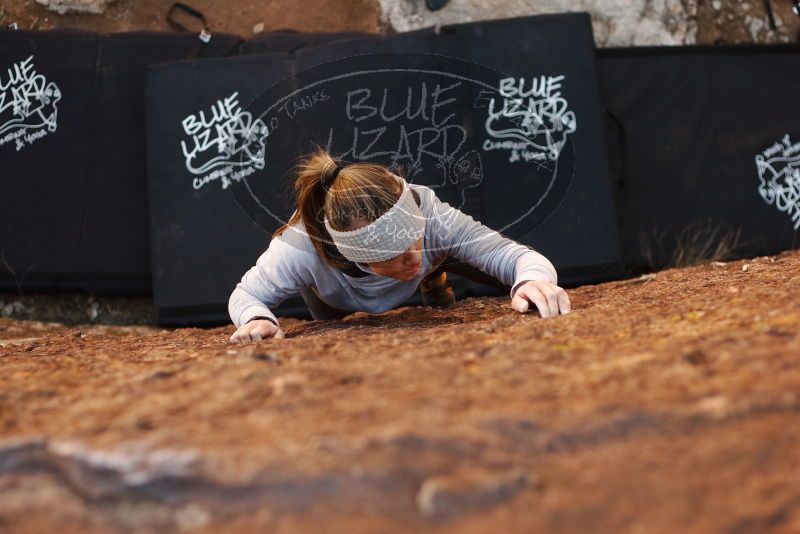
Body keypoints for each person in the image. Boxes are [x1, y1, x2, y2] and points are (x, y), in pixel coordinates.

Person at [228, 147, 571, 342]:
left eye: (413, 240)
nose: (412, 258)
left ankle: (434, 277)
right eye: (390, 256)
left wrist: (533, 280)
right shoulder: (299, 246)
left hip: (440, 251)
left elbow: (508, 254)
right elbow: (246, 295)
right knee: (327, 317)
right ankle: (411, 272)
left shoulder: (431, 215)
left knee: (445, 250)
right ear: (355, 256)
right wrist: (257, 318)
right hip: (333, 291)